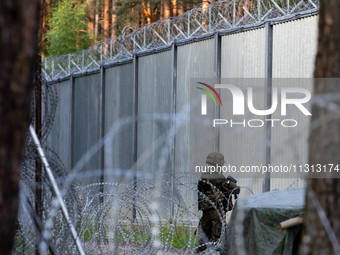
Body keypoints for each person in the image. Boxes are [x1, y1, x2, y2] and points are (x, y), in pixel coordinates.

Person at [196, 152, 240, 252]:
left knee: (205, 238)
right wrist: (231, 185)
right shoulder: (217, 178)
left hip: (207, 211)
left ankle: (199, 252)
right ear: (218, 164)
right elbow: (233, 189)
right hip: (216, 211)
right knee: (216, 238)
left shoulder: (205, 176)